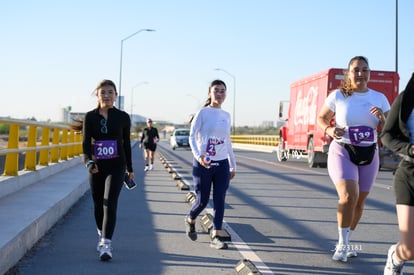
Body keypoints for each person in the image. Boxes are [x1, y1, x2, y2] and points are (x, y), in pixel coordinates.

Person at [317, 56, 390, 262]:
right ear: (349, 73)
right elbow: (321, 119)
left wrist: (383, 119)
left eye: (364, 70)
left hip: (369, 152)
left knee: (359, 202)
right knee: (348, 196)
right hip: (343, 150)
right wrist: (330, 129)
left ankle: (348, 242)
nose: (360, 73)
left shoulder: (380, 98)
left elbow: (390, 130)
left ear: (369, 73)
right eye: (356, 70)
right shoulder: (339, 96)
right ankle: (341, 245)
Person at [74, 79, 135, 261]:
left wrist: (129, 168)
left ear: (116, 96)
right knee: (98, 203)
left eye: (110, 92)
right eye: (103, 92)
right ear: (97, 95)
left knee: (110, 202)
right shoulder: (90, 117)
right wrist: (89, 163)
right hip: (97, 166)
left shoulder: (123, 117)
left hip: (117, 165)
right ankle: (102, 231)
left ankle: (106, 244)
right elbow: (85, 144)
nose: (107, 96)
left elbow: (126, 145)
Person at [184, 79, 236, 249]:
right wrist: (199, 156)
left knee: (220, 198)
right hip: (203, 163)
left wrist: (232, 165)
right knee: (202, 200)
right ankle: (190, 218)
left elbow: (227, 141)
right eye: (216, 90)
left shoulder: (226, 116)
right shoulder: (202, 113)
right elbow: (192, 137)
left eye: (222, 91)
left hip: (221, 164)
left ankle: (216, 234)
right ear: (209, 93)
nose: (219, 94)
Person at [381, 73, 414, 275]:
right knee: (409, 250)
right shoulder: (406, 99)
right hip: (410, 175)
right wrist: (409, 149)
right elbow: (387, 135)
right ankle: (395, 257)